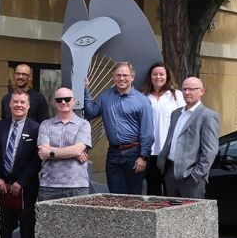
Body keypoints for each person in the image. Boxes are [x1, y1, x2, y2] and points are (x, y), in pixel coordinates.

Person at [0, 90, 41, 238]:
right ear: (10, 105)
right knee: (3, 226)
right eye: (15, 102)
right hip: (2, 185)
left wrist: (21, 181)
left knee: (27, 226)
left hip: (25, 187)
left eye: (22, 102)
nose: (18, 105)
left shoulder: (36, 128)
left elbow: (37, 159)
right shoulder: (0, 125)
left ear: (28, 106)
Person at [84, 62, 154, 194]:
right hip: (113, 153)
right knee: (115, 196)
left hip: (134, 153)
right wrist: (85, 90)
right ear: (113, 78)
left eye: (125, 75)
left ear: (132, 77)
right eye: (118, 75)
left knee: (134, 197)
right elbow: (90, 113)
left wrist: (143, 157)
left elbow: (147, 132)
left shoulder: (142, 100)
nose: (122, 78)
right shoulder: (105, 97)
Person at [157, 77, 220, 199]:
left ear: (201, 91)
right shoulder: (176, 113)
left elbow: (210, 151)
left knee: (193, 216)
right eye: (184, 89)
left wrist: (196, 175)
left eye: (191, 89)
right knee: (171, 214)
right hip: (170, 172)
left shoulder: (208, 116)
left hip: (190, 177)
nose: (187, 92)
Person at [37, 88, 92, 201]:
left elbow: (77, 150)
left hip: (77, 186)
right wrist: (73, 153)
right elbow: (42, 153)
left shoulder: (84, 124)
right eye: (59, 100)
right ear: (55, 102)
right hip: (49, 186)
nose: (63, 102)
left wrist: (51, 152)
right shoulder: (45, 125)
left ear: (73, 101)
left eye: (67, 99)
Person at [142, 62, 184, 196]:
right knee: (152, 190)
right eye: (155, 74)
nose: (158, 77)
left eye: (161, 74)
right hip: (150, 151)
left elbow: (184, 120)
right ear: (150, 76)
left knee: (170, 190)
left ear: (167, 76)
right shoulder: (143, 97)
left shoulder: (177, 95)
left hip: (170, 152)